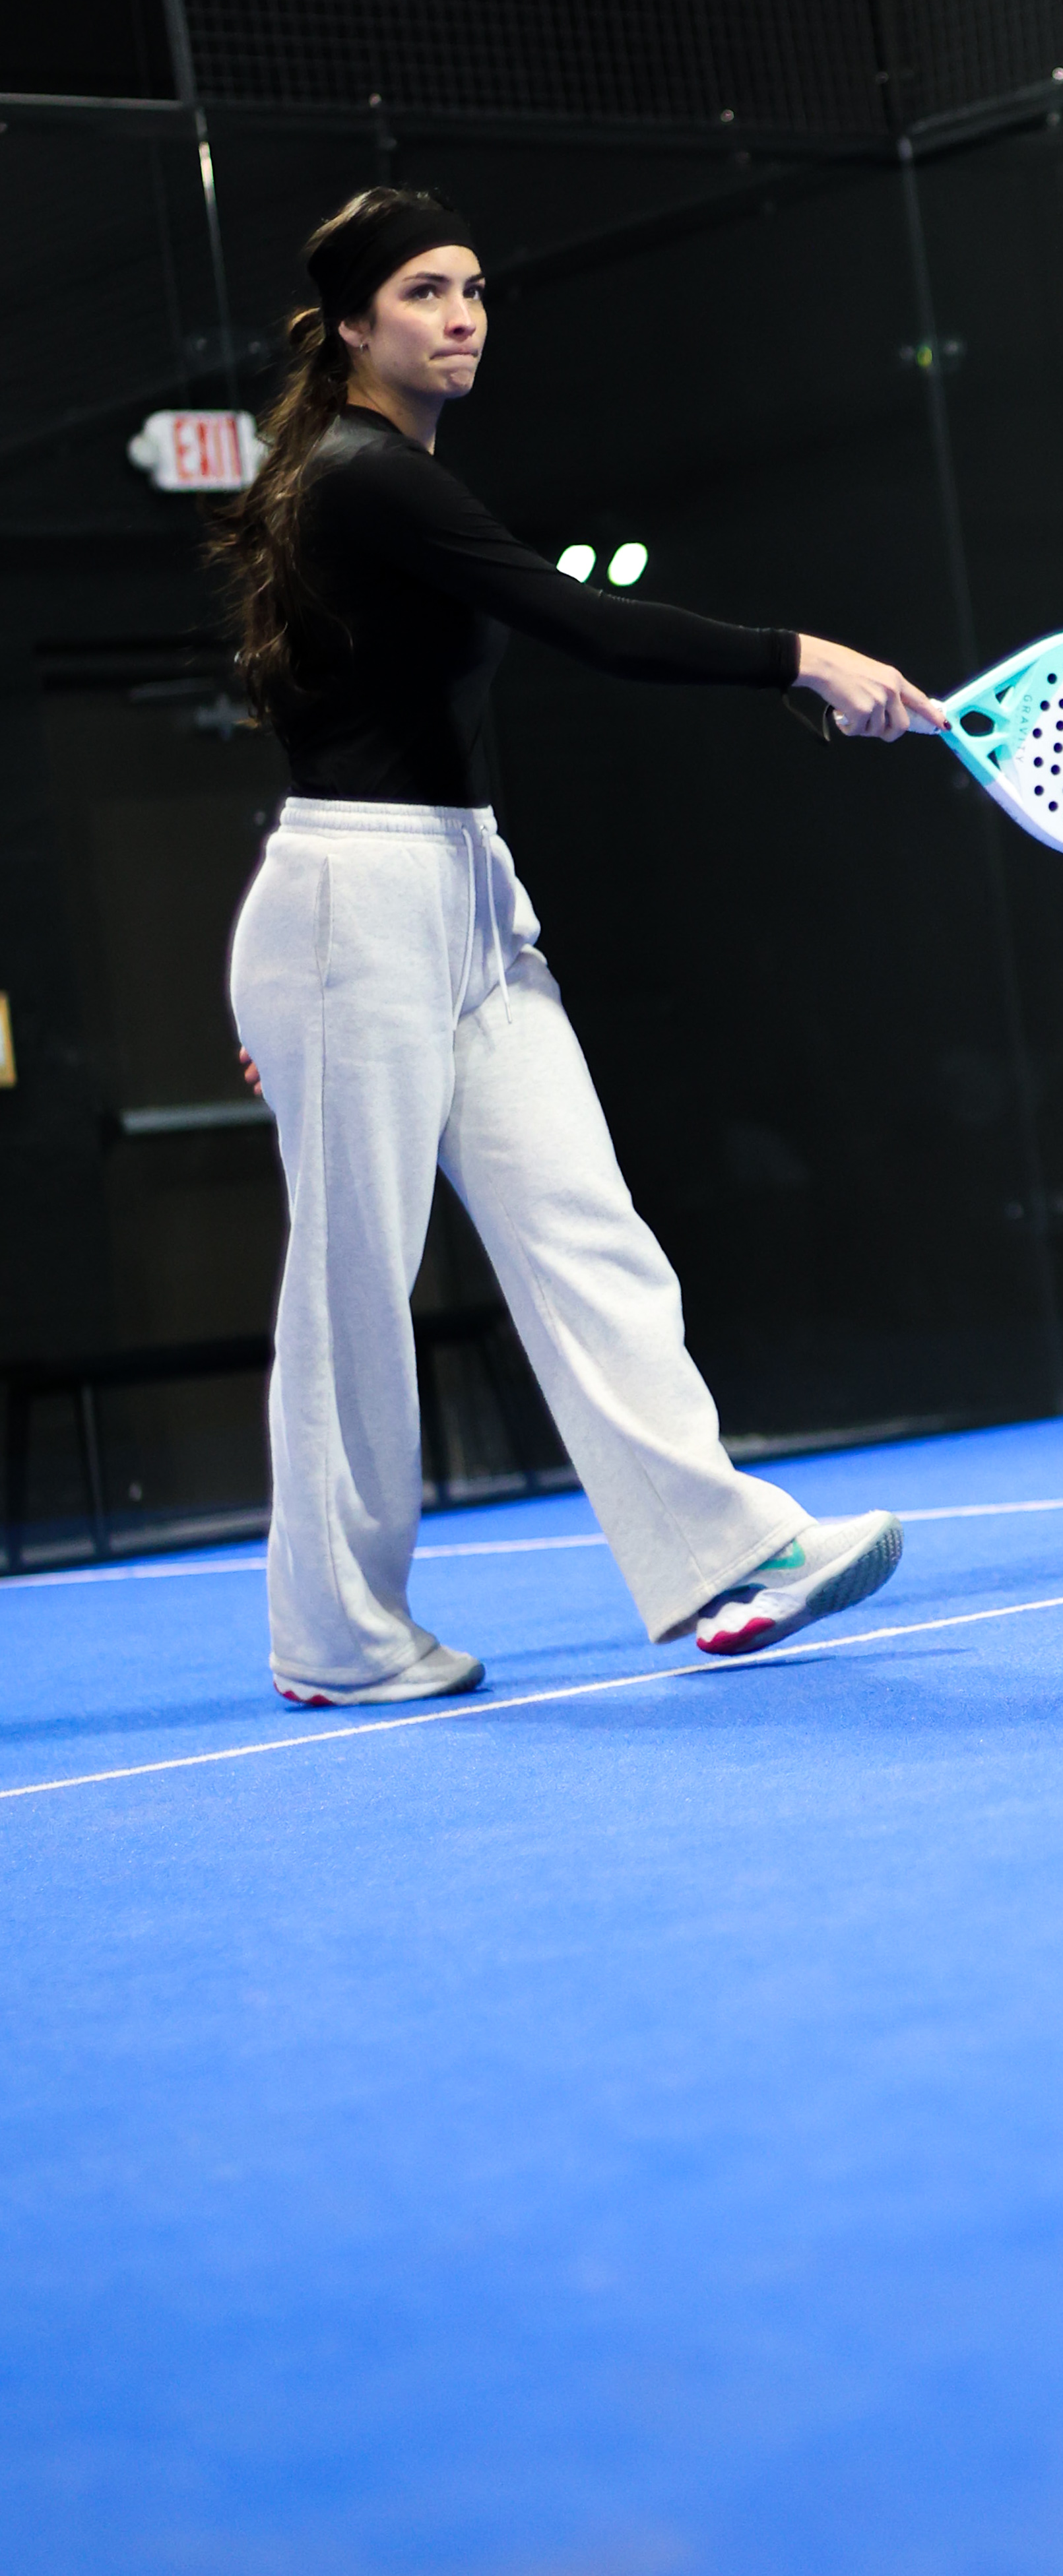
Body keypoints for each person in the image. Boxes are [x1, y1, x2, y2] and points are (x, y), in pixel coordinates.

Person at [220, 185, 938, 1703]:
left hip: (462, 893)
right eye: (422, 291)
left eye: (474, 285)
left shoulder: (376, 477)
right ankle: (337, 1637)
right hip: (356, 902)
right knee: (352, 1290)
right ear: (353, 325)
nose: (461, 312)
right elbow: (578, 621)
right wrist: (800, 660)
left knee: (585, 1227)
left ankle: (721, 1554)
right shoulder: (362, 479)